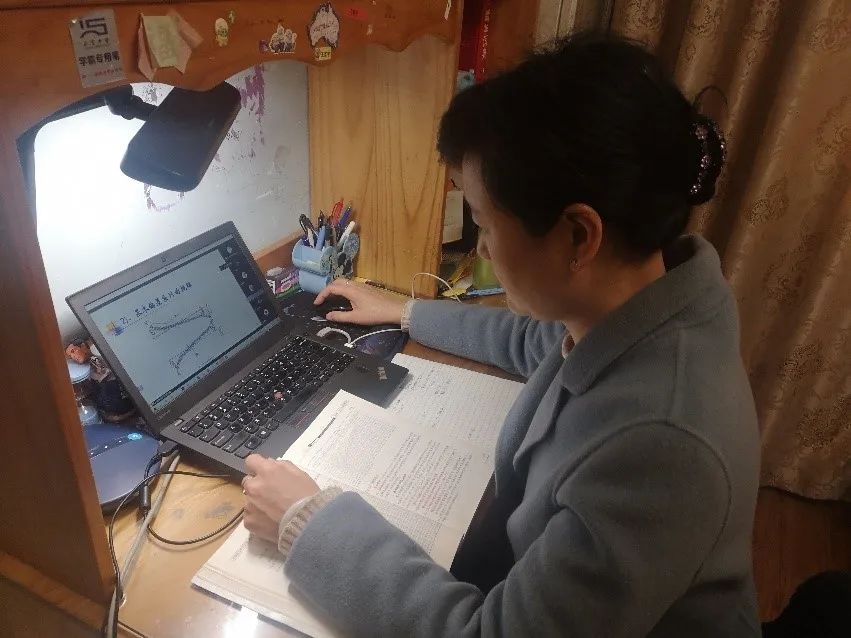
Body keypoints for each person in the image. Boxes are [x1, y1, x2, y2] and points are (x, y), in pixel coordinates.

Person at [240, 32, 762, 636]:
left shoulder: (662, 446)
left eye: (485, 224)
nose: (482, 248)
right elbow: (534, 342)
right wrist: (406, 311)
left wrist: (306, 523)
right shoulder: (642, 300)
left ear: (579, 236)